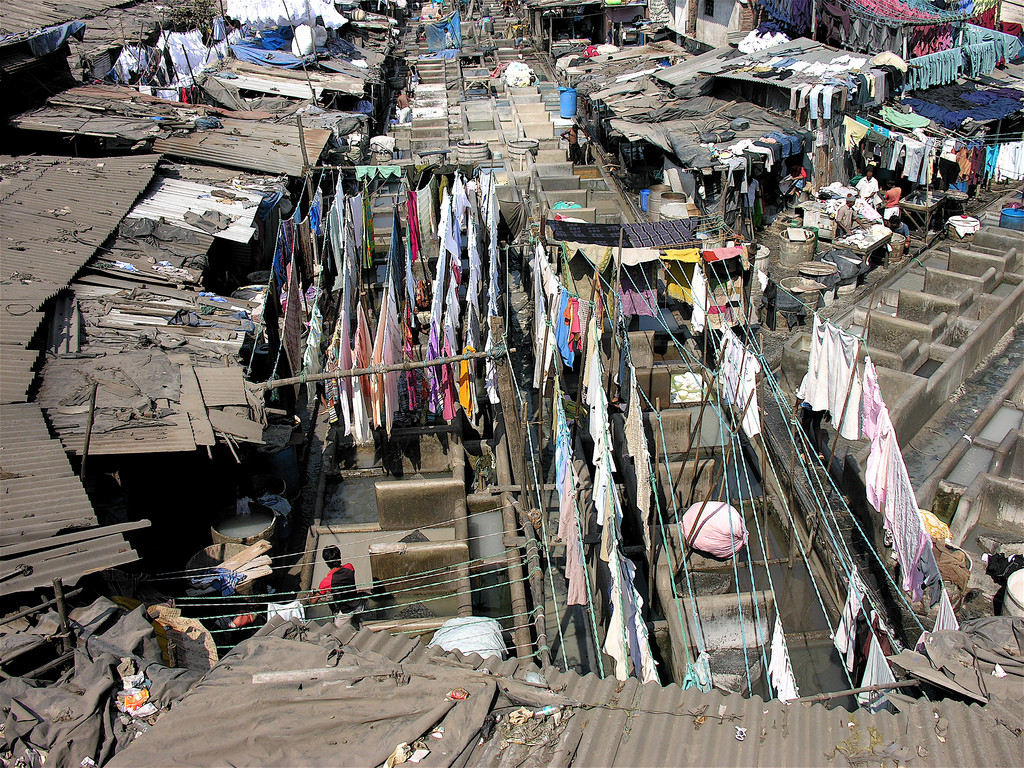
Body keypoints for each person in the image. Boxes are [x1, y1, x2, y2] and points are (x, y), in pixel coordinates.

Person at [308, 545, 362, 616]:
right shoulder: (350, 567)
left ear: (326, 562)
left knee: (336, 627)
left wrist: (311, 594)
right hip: (359, 605)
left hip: (346, 612)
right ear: (340, 557)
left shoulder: (327, 581)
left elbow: (313, 601)